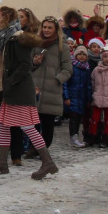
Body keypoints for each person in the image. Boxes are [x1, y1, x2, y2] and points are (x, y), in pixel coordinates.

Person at [0, 6, 58, 179]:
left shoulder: (17, 39)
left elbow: (24, 65)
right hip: (10, 89)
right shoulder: (6, 38)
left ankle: (48, 162)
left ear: (7, 18)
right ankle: (1, 162)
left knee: (28, 127)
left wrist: (10, 83)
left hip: (19, 91)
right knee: (4, 124)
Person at [32, 15, 73, 149]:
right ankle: (34, 148)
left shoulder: (62, 46)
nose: (46, 30)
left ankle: (43, 149)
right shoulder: (36, 43)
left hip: (52, 89)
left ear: (56, 29)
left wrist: (57, 79)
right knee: (34, 123)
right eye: (44, 27)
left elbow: (68, 69)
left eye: (50, 27)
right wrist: (34, 62)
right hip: (36, 88)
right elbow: (28, 64)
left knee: (48, 123)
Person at [63, 45, 92, 148]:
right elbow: (65, 83)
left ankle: (76, 136)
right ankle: (73, 136)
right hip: (72, 96)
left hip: (82, 98)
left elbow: (88, 85)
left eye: (84, 54)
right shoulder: (71, 67)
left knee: (79, 118)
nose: (81, 56)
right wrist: (66, 97)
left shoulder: (87, 68)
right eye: (79, 54)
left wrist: (89, 99)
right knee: (73, 118)